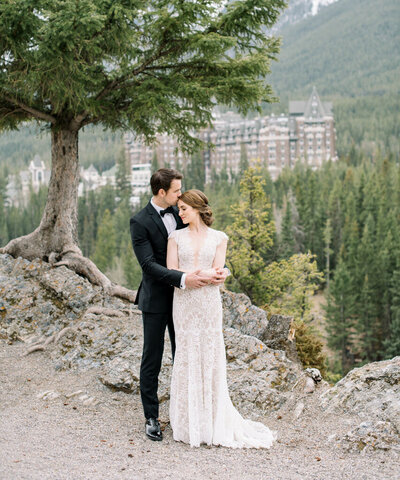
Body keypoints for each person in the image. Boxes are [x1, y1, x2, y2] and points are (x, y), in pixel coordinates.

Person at [167, 189, 277, 448]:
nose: (179, 213)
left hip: (207, 302)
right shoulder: (175, 236)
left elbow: (218, 271)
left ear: (196, 208)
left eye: (184, 208)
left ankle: (212, 422)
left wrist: (219, 273)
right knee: (186, 353)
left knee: (210, 354)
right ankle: (187, 423)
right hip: (183, 302)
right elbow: (171, 270)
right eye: (179, 208)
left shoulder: (219, 238)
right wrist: (203, 275)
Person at [130, 169, 227, 441]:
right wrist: (184, 278)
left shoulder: (180, 211)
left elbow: (201, 243)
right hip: (158, 299)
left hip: (188, 300)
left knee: (185, 354)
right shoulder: (139, 221)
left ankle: (186, 412)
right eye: (175, 191)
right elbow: (148, 265)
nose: (179, 195)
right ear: (162, 192)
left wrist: (220, 270)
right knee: (152, 357)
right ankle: (151, 416)